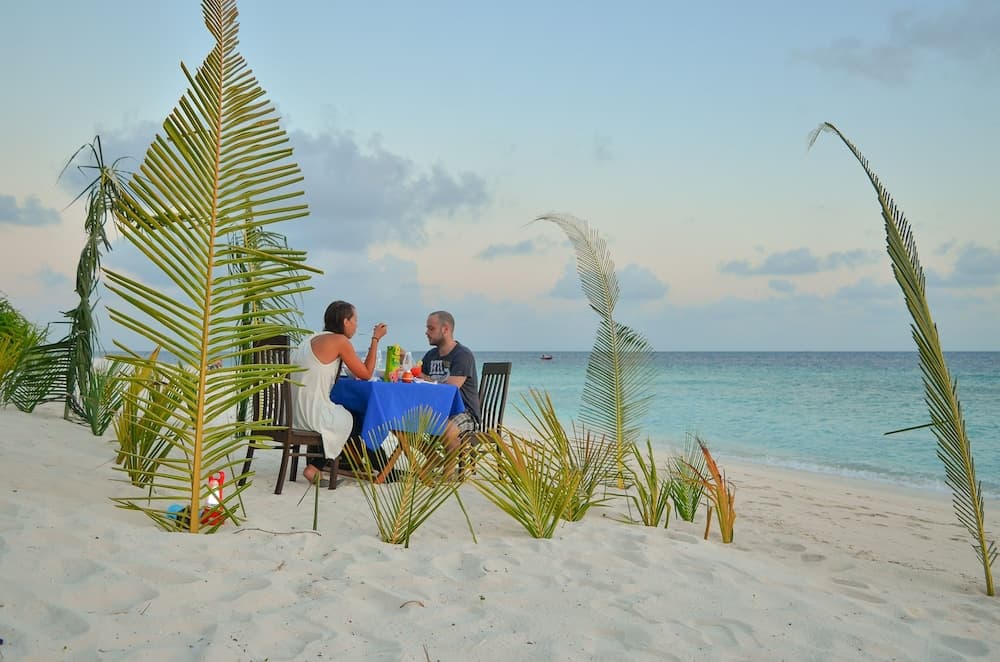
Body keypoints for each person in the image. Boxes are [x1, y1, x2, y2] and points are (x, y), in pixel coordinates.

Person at [291, 300, 388, 484]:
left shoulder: (311, 339)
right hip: (310, 414)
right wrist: (375, 339)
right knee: (353, 418)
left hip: (293, 414)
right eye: (355, 320)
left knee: (348, 415)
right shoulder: (340, 341)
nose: (356, 325)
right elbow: (366, 374)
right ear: (345, 322)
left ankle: (363, 464)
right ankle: (316, 468)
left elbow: (355, 371)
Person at [421, 310, 480, 453]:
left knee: (447, 430)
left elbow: (450, 389)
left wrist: (425, 378)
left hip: (464, 412)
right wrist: (406, 364)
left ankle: (449, 476)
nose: (426, 332)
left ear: (445, 329)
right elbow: (418, 380)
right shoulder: (430, 356)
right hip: (437, 411)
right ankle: (430, 462)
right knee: (400, 424)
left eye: (431, 328)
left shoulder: (462, 355)